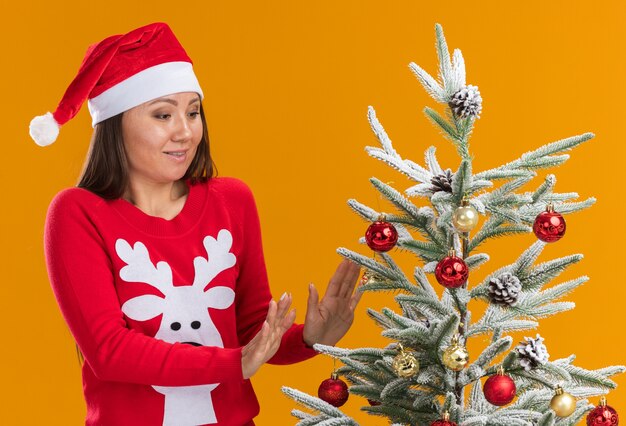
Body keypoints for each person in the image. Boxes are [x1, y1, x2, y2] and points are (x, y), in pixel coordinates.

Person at [30, 22, 362, 426]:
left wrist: (309, 338)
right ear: (116, 123)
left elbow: (252, 334)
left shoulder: (232, 201)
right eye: (163, 114)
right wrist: (236, 362)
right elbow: (109, 351)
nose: (185, 132)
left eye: (193, 112)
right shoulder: (78, 213)